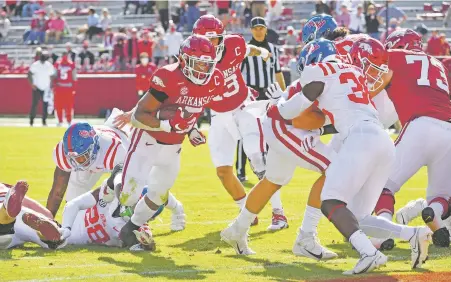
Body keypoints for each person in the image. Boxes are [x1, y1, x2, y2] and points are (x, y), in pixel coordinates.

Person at [222, 38, 432, 274]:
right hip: (351, 135)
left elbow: (306, 114)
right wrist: (280, 108)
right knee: (330, 172)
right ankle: (306, 237)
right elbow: (303, 117)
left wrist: (278, 106)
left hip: (305, 126)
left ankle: (239, 230)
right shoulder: (354, 73)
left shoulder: (319, 71)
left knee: (283, 183)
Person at [116, 35, 224, 248]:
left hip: (174, 146)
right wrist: (168, 124)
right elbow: (138, 117)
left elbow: (190, 111)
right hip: (148, 140)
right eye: (198, 63)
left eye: (207, 64)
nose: (203, 69)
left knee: (159, 193)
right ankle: (114, 181)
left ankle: (133, 227)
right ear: (184, 60)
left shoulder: (215, 79)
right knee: (128, 197)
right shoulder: (168, 75)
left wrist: (191, 129)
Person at [193, 15, 288, 230]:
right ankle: (247, 213)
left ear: (221, 37)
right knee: (223, 171)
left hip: (244, 107)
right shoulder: (193, 58)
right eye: (204, 40)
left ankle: (278, 213)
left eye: (214, 39)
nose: (209, 45)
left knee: (258, 159)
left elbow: (247, 49)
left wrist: (262, 51)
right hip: (218, 115)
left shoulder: (234, 44)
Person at [372, 29, 451, 248]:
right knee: (442, 195)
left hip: (420, 126)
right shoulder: (438, 65)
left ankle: (383, 229)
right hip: (448, 129)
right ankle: (434, 215)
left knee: (381, 184)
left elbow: (374, 80)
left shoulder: (393, 57)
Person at [28, 50, 55, 127]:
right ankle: (31, 120)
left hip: (46, 87)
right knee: (34, 104)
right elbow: (29, 74)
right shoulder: (35, 65)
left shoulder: (49, 65)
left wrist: (50, 85)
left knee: (45, 105)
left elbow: (52, 75)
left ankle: (44, 121)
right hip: (37, 87)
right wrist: (32, 84)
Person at [54, 52, 77, 126]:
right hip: (67, 88)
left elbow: (54, 76)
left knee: (60, 105)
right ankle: (68, 121)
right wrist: (74, 87)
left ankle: (61, 120)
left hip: (60, 87)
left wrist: (54, 86)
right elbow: (74, 77)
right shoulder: (71, 64)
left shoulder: (58, 64)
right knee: (68, 105)